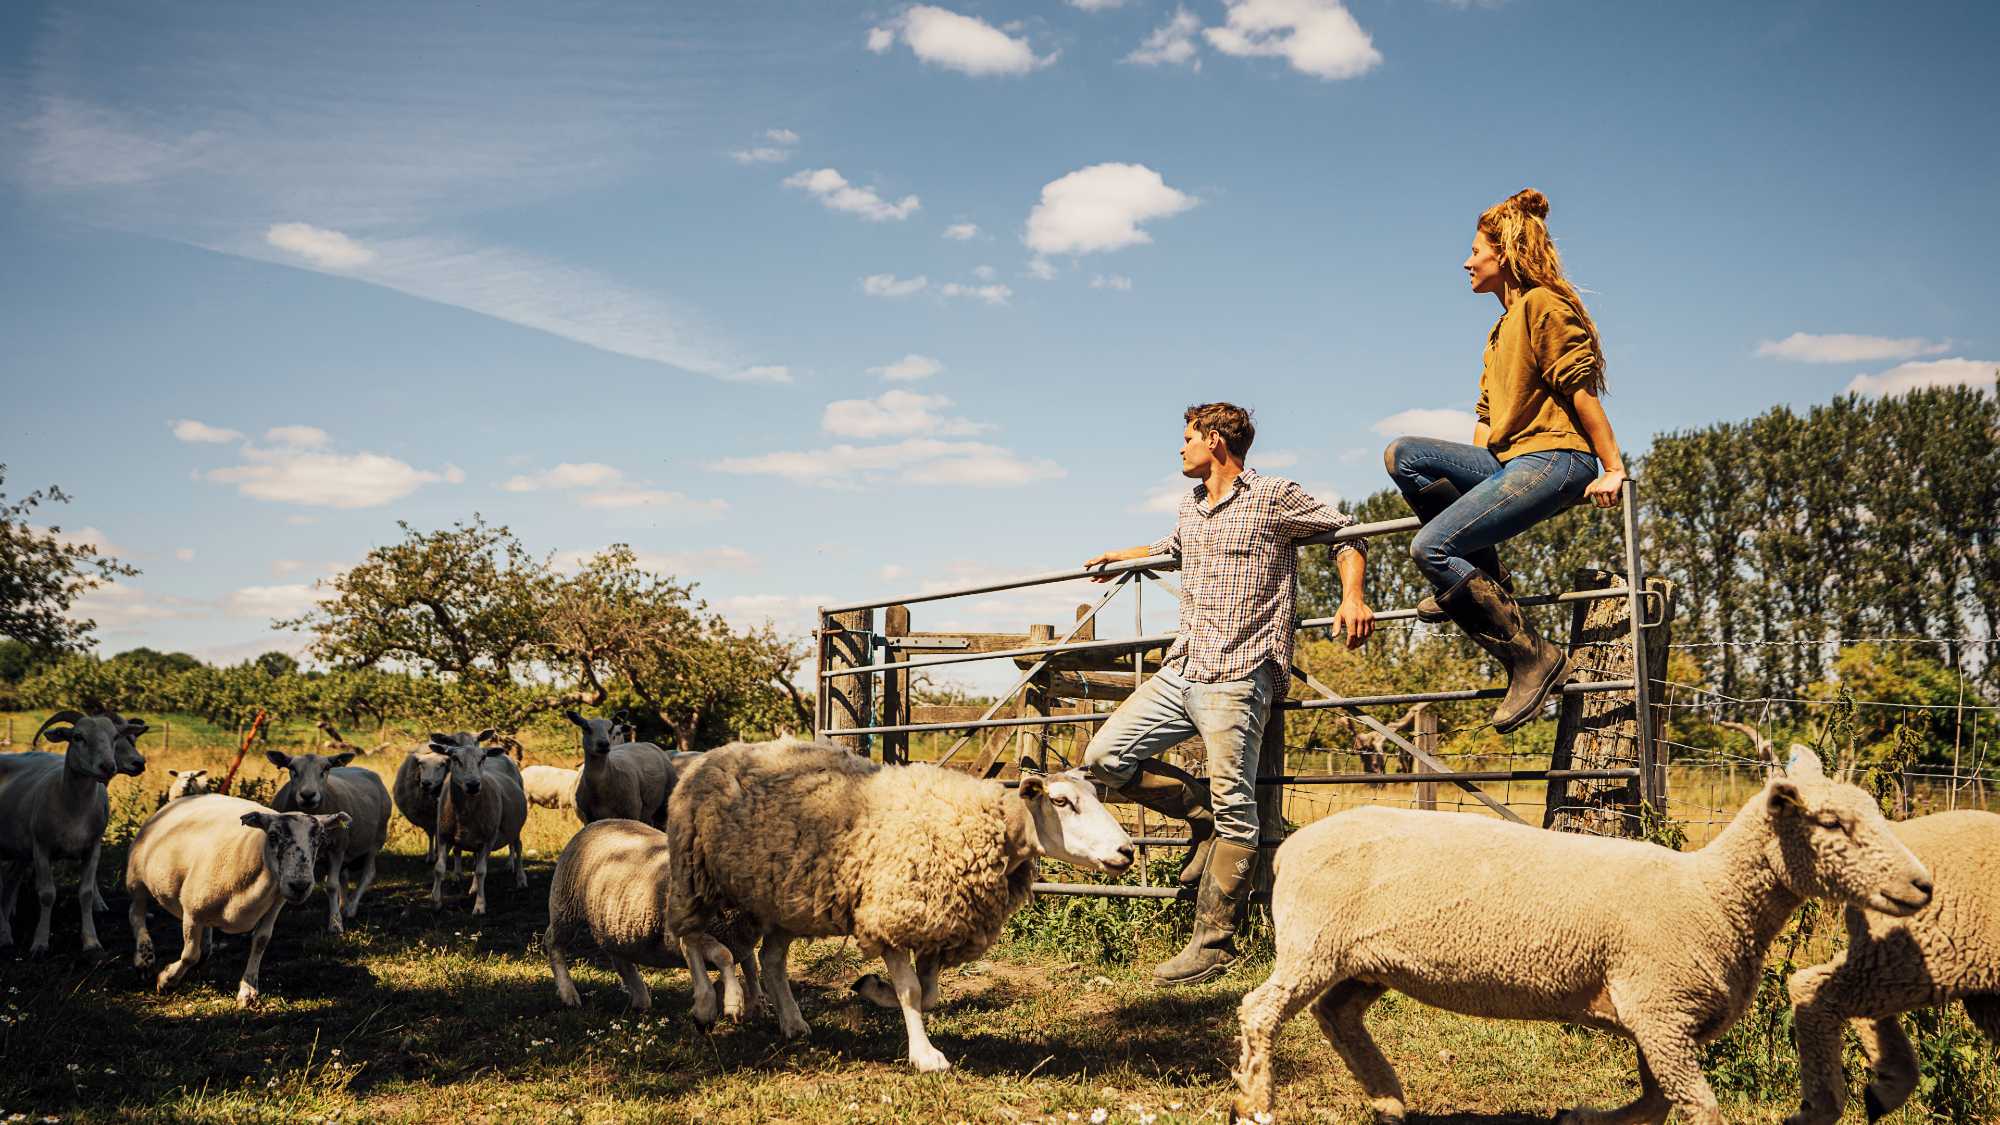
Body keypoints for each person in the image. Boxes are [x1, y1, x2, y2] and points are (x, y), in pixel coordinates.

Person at [1081, 402, 1373, 985]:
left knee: (1237, 806)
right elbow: (1171, 546)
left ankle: (1214, 944)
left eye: (1187, 438)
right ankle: (1199, 816)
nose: (1181, 448)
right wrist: (1122, 557)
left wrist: (1353, 596)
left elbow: (1349, 531)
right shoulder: (1192, 506)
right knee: (1103, 758)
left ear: (1214, 441)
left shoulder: (1272, 495)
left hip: (1240, 671)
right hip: (1183, 667)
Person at [1383, 188, 1627, 734]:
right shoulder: (1498, 330)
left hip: (1557, 457)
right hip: (1510, 459)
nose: (1466, 262)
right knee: (1406, 456)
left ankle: (1530, 657)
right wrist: (1472, 488)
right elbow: (1487, 420)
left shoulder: (1543, 304)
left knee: (1431, 546)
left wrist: (1613, 466)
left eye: (1475, 250)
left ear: (1506, 254)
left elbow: (1582, 389)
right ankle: (1481, 581)